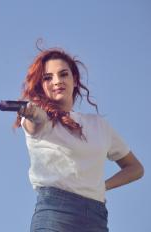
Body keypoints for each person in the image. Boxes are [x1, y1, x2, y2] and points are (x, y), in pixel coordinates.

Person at [15, 47, 144, 232]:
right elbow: (34, 123)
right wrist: (32, 113)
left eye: (63, 74)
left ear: (75, 80)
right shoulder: (40, 121)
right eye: (47, 78)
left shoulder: (99, 126)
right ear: (41, 86)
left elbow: (135, 168)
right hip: (55, 215)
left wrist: (102, 186)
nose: (57, 81)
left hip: (96, 218)